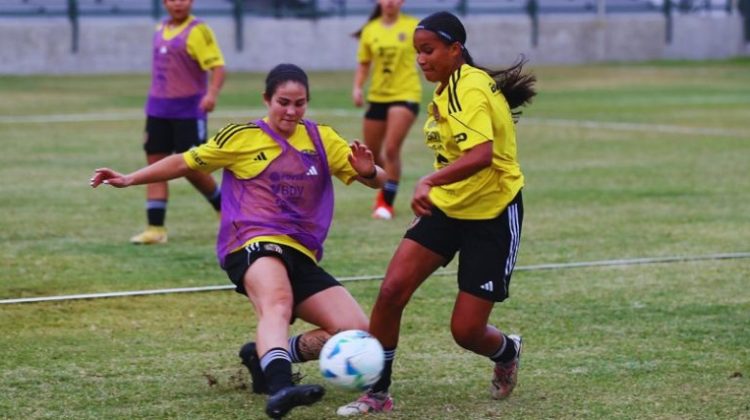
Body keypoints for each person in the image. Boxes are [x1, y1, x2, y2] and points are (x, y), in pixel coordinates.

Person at [91, 63, 387, 419]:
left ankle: (263, 356)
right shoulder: (241, 137)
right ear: (266, 99)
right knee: (277, 301)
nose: (291, 111)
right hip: (250, 242)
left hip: (300, 252)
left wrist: (369, 171)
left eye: (300, 103)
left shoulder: (323, 139)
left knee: (358, 330)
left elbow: (377, 180)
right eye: (283, 102)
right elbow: (184, 162)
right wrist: (128, 179)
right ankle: (280, 390)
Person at [337, 11, 537, 416]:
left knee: (466, 331)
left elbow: (483, 156)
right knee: (392, 292)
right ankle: (377, 392)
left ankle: (506, 350)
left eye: (428, 51)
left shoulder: (469, 87)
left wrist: (428, 181)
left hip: (492, 212)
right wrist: (437, 186)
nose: (421, 60)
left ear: (454, 49)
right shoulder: (446, 88)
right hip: (447, 207)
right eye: (417, 52)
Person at [132, 0, 226, 244]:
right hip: (158, 110)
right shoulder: (159, 29)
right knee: (155, 166)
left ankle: (225, 207)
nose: (178, 4)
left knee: (192, 167)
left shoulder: (198, 31)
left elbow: (217, 66)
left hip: (188, 111)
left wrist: (211, 94)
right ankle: (155, 228)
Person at [352, 0, 421, 220]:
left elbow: (429, 55)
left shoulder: (413, 27)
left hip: (406, 94)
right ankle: (385, 186)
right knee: (371, 151)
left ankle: (386, 204)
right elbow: (364, 63)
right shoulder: (370, 30)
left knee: (391, 149)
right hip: (378, 96)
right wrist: (357, 87)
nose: (389, 2)